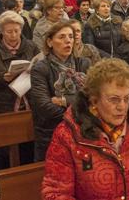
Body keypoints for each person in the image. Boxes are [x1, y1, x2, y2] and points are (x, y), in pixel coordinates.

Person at [42, 58, 129, 199]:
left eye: (127, 98)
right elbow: (56, 192)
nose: (122, 106)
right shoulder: (68, 134)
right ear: (94, 99)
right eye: (114, 99)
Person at [0, 11, 39, 169]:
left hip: (27, 104)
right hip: (1, 107)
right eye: (9, 32)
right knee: (2, 156)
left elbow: (42, 69)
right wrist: (2, 77)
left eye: (17, 31)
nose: (13, 35)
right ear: (1, 32)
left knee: (27, 152)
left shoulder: (31, 47)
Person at [30, 21, 91, 161]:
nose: (68, 40)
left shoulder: (83, 63)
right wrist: (82, 109)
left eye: (70, 36)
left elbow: (94, 98)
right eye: (62, 37)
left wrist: (64, 101)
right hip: (51, 132)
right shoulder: (40, 68)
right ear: (50, 42)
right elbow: (44, 107)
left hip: (83, 130)